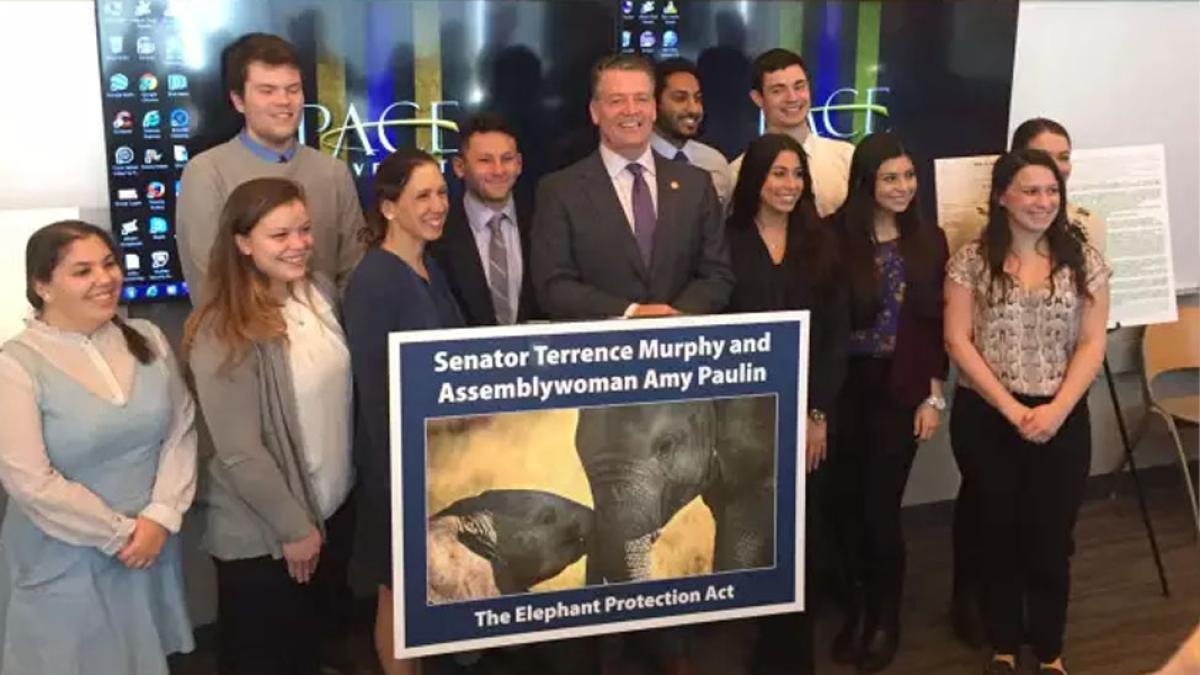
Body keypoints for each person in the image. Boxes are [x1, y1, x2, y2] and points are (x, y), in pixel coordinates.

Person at [0, 221, 196, 674]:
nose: (105, 279)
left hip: (151, 548)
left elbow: (181, 430)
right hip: (64, 561)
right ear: (42, 286)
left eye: (109, 264)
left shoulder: (147, 337)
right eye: (82, 271)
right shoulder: (17, 364)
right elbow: (30, 482)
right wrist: (121, 534)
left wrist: (161, 517)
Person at [945, 149, 1110, 675]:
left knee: (1050, 537)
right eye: (1031, 190)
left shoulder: (1083, 259)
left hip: (1062, 418)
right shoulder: (972, 259)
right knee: (997, 532)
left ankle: (1051, 650)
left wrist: (1057, 409)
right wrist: (1012, 409)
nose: (1043, 202)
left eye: (1052, 191)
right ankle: (1003, 645)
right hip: (989, 416)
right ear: (1002, 196)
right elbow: (957, 340)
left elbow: (1090, 344)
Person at [184, 178, 357, 675]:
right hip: (267, 537)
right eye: (279, 235)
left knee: (312, 652)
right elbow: (241, 452)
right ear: (242, 243)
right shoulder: (222, 330)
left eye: (303, 230)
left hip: (330, 514)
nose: (298, 244)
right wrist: (294, 527)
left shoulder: (318, 292)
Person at [722, 133, 850, 675]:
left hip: (807, 420)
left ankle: (793, 658)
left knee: (805, 536)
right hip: (740, 420)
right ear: (755, 179)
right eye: (777, 173)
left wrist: (816, 414)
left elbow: (834, 337)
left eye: (797, 174)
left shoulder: (822, 244)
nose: (789, 185)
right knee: (752, 534)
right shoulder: (724, 242)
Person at [828, 132, 948, 673]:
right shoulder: (833, 238)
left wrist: (933, 394)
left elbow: (934, 325)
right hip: (841, 387)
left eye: (909, 176)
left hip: (901, 389)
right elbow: (824, 325)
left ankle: (886, 616)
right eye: (891, 178)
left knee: (880, 511)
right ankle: (856, 608)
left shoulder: (930, 240)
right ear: (866, 183)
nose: (903, 187)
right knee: (844, 509)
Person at [344, 149, 463, 675]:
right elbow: (374, 392)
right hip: (399, 472)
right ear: (389, 207)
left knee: (420, 598)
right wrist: (404, 482)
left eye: (441, 192)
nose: (438, 205)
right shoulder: (375, 281)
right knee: (397, 597)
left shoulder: (429, 267)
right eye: (423, 195)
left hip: (438, 465)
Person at [532, 53, 734, 320]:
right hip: (600, 353)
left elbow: (717, 275)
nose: (631, 110)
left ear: (653, 108)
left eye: (641, 99)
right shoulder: (559, 191)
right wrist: (632, 313)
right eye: (617, 101)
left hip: (681, 350)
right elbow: (554, 287)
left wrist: (673, 317)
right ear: (595, 112)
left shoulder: (696, 185)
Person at [177, 32, 364, 304]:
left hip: (327, 338)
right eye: (267, 91)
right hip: (243, 341)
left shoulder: (333, 172)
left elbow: (354, 275)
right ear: (238, 100)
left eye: (292, 89)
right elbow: (210, 286)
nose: (284, 101)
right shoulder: (206, 173)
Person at [429, 111, 540, 326]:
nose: (498, 170)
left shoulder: (543, 219)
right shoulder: (438, 232)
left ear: (519, 164)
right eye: (485, 161)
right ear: (459, 167)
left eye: (506, 159)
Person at [729, 48, 854, 218]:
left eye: (799, 87)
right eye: (778, 90)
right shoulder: (738, 171)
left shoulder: (846, 157)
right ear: (758, 98)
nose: (792, 98)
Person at [1012, 118, 1106, 252]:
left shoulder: (1088, 225)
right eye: (1043, 157)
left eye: (1064, 157)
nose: (1056, 167)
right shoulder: (979, 224)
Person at [651, 57, 734, 206]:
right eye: (680, 98)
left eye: (697, 99)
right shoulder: (637, 162)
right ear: (654, 102)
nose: (694, 109)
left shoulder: (714, 163)